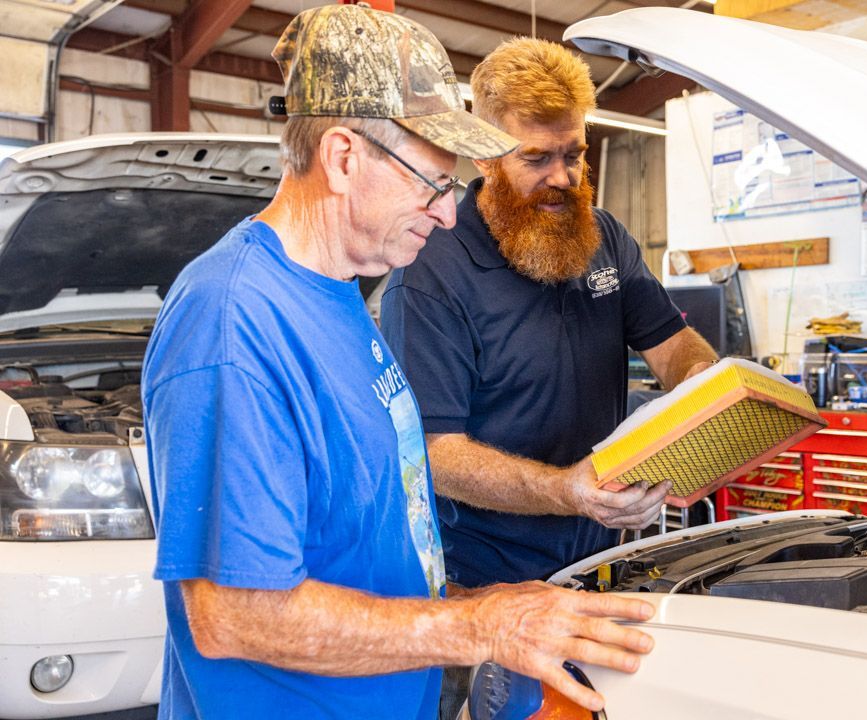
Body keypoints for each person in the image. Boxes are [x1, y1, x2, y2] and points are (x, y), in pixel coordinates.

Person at [142, 8, 656, 719]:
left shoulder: (341, 297)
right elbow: (234, 615)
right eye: (434, 185)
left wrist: (486, 605)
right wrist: (479, 629)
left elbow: (367, 545)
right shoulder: (234, 324)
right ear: (345, 157)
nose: (448, 215)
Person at [380, 37, 718, 590]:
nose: (562, 177)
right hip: (486, 582)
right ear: (485, 156)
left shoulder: (603, 236)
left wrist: (700, 388)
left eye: (574, 154)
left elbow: (672, 340)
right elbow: (434, 454)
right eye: (536, 158)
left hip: (603, 559)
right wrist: (565, 490)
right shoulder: (430, 272)